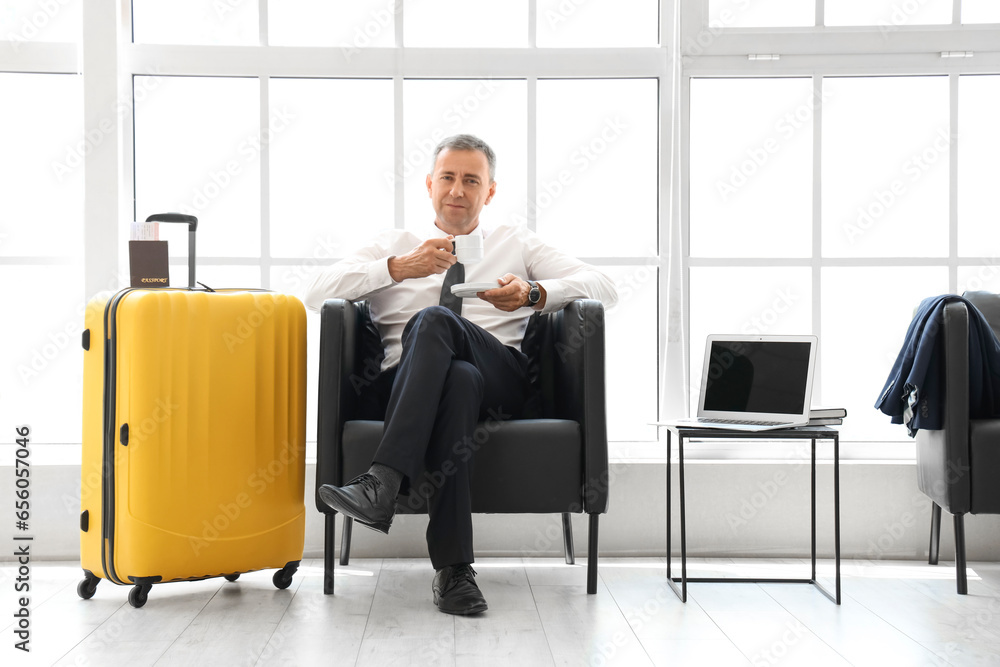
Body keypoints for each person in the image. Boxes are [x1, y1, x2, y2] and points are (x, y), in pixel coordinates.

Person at [304, 134, 618, 615]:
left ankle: (381, 482)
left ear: (489, 192)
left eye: (471, 180)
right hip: (404, 386)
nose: (457, 190)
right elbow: (315, 291)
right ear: (430, 184)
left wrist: (533, 293)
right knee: (458, 379)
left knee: (435, 323)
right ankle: (454, 574)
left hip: (504, 380)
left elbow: (604, 286)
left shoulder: (515, 242)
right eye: (448, 178)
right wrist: (396, 268)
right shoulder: (393, 246)